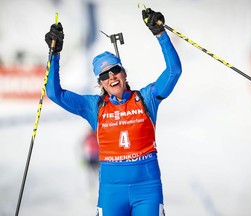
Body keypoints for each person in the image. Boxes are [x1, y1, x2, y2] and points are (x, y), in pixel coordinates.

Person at [45, 8, 182, 216]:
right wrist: (54, 54)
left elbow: (174, 71)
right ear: (100, 84)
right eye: (104, 75)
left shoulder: (146, 98)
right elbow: (55, 94)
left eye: (115, 70)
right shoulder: (94, 107)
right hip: (111, 193)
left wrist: (160, 34)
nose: (112, 77)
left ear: (124, 73)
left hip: (147, 190)